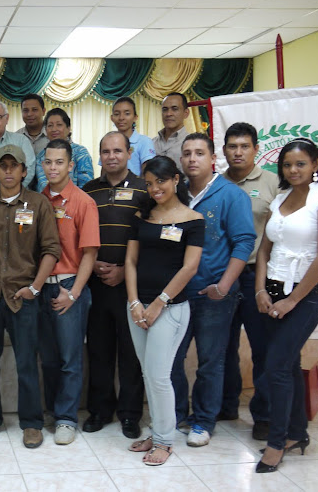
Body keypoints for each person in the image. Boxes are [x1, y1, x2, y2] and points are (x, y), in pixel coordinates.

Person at [254, 138, 318, 473]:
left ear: (316, 164)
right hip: (272, 288)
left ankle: (276, 443)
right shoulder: (280, 198)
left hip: (306, 295)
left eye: (300, 164)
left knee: (276, 366)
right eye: (287, 165)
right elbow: (264, 248)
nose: (293, 170)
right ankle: (296, 433)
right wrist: (261, 289)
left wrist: (293, 299)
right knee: (287, 366)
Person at [0, 144, 60, 449]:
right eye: (3, 166)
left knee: (25, 363)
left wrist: (35, 287)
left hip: (23, 298)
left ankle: (32, 423)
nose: (8, 172)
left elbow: (51, 249)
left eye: (14, 166)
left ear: (24, 171)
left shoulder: (38, 204)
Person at [171, 133, 256, 447]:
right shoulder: (176, 194)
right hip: (178, 293)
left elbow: (245, 242)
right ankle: (178, 414)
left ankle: (203, 421)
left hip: (214, 294)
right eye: (187, 154)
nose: (192, 159)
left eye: (199, 153)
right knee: (172, 358)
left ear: (212, 159)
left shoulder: (230, 195)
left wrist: (224, 285)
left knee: (210, 360)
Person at [125, 156, 204, 466]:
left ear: (175, 180)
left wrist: (159, 302)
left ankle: (165, 441)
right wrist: (134, 302)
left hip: (170, 308)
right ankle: (157, 432)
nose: (155, 188)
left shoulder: (193, 219)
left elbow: (190, 266)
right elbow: (130, 261)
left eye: (160, 181)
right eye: (149, 183)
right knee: (149, 373)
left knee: (159, 377)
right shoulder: (142, 216)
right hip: (138, 307)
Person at [81, 132, 149, 438]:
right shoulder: (88, 191)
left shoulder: (145, 190)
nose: (111, 156)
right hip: (94, 283)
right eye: (106, 151)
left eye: (117, 151)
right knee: (99, 351)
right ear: (100, 155)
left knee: (131, 353)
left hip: (129, 285)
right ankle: (99, 410)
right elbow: (77, 235)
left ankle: (131, 414)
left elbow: (151, 239)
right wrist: (90, 265)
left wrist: (125, 271)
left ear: (128, 152)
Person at [219, 122, 279, 440]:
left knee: (261, 348)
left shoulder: (273, 183)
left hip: (257, 276)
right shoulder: (216, 184)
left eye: (244, 146)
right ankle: (225, 406)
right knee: (222, 347)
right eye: (232, 146)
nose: (238, 152)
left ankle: (265, 415)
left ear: (255, 148)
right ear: (224, 150)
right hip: (223, 277)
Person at [38, 139, 99, 445]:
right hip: (41, 290)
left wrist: (73, 293)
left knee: (69, 359)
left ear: (71, 166)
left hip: (69, 287)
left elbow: (89, 253)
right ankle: (52, 409)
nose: (53, 168)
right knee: (48, 358)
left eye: (59, 162)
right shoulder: (36, 201)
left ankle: (66, 418)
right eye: (48, 162)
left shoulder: (82, 202)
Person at [34, 108, 94, 191]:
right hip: (46, 202)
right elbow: (42, 185)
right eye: (50, 125)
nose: (54, 129)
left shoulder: (80, 153)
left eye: (59, 125)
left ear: (68, 128)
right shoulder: (41, 156)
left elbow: (87, 186)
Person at [110, 96, 155, 176]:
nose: (121, 118)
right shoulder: (109, 142)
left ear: (135, 117)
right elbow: (104, 172)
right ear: (112, 118)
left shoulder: (144, 141)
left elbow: (148, 174)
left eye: (127, 114)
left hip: (136, 187)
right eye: (117, 114)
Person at [153, 93, 189, 173]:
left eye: (175, 109)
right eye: (165, 109)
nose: (169, 114)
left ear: (186, 113)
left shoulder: (191, 144)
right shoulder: (152, 143)